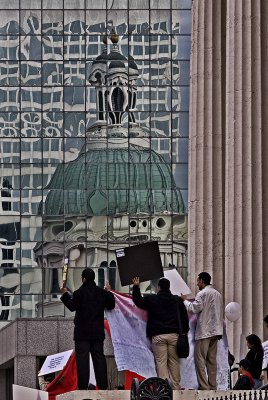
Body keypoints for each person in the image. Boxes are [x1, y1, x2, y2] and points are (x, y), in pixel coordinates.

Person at [60, 267, 115, 390]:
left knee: (82, 360)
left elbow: (72, 306)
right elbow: (111, 304)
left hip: (82, 333)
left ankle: (83, 387)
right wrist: (109, 291)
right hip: (97, 333)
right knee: (99, 358)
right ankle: (103, 386)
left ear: (83, 279)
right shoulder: (101, 293)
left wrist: (64, 294)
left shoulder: (79, 293)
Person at [132, 276, 189, 390]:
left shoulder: (152, 299)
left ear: (158, 288)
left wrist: (136, 287)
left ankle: (164, 390)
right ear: (169, 287)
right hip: (174, 336)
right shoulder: (177, 300)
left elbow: (138, 301)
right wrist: (185, 332)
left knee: (161, 363)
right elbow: (184, 317)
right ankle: (176, 388)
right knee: (174, 362)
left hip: (158, 336)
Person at [180, 272, 223, 390]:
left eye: (198, 281)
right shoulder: (218, 294)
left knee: (200, 360)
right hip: (216, 331)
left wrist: (184, 300)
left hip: (204, 331)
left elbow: (194, 308)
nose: (197, 283)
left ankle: (204, 386)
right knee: (212, 361)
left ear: (202, 281)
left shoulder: (202, 293)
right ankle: (213, 385)